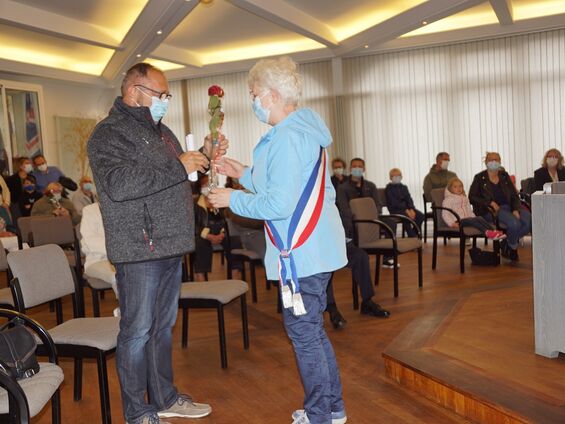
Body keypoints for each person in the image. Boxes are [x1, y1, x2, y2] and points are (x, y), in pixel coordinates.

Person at [208, 56, 348, 424]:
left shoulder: (286, 137)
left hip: (302, 251)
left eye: (254, 94)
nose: (252, 101)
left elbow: (280, 204)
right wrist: (242, 173)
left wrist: (230, 198)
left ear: (270, 95)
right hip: (317, 248)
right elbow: (287, 183)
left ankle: (320, 415)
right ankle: (332, 410)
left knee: (305, 335)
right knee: (312, 332)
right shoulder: (303, 130)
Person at [87, 62, 225, 424]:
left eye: (167, 95)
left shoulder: (163, 133)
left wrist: (205, 155)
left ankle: (164, 397)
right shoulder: (108, 134)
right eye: (159, 94)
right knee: (136, 333)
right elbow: (119, 185)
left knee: (162, 330)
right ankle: (137, 411)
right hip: (138, 249)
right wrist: (178, 165)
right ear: (134, 92)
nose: (165, 101)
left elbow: (181, 178)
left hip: (170, 244)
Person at [469, 152, 531, 262]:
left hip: (510, 207)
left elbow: (514, 195)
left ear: (500, 161)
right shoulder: (479, 178)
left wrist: (515, 209)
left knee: (529, 221)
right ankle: (513, 248)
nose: (493, 162)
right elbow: (472, 197)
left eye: (496, 159)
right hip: (491, 211)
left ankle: (506, 242)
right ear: (486, 162)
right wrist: (489, 202)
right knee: (514, 223)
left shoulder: (504, 175)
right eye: (490, 159)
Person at [336, 157, 396, 268]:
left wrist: (373, 217)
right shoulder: (342, 188)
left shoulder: (371, 186)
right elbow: (344, 208)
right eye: (354, 166)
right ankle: (356, 259)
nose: (357, 168)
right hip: (353, 219)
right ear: (350, 169)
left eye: (360, 166)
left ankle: (387, 259)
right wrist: (358, 219)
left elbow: (377, 204)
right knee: (348, 224)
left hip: (373, 218)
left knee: (391, 223)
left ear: (364, 169)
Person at [385, 168, 424, 237]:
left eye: (399, 176)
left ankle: (414, 233)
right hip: (395, 210)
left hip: (407, 209)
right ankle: (411, 235)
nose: (397, 177)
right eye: (394, 176)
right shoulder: (388, 188)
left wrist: (411, 209)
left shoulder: (404, 187)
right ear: (390, 178)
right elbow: (394, 203)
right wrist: (406, 210)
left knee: (420, 216)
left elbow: (409, 199)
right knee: (406, 217)